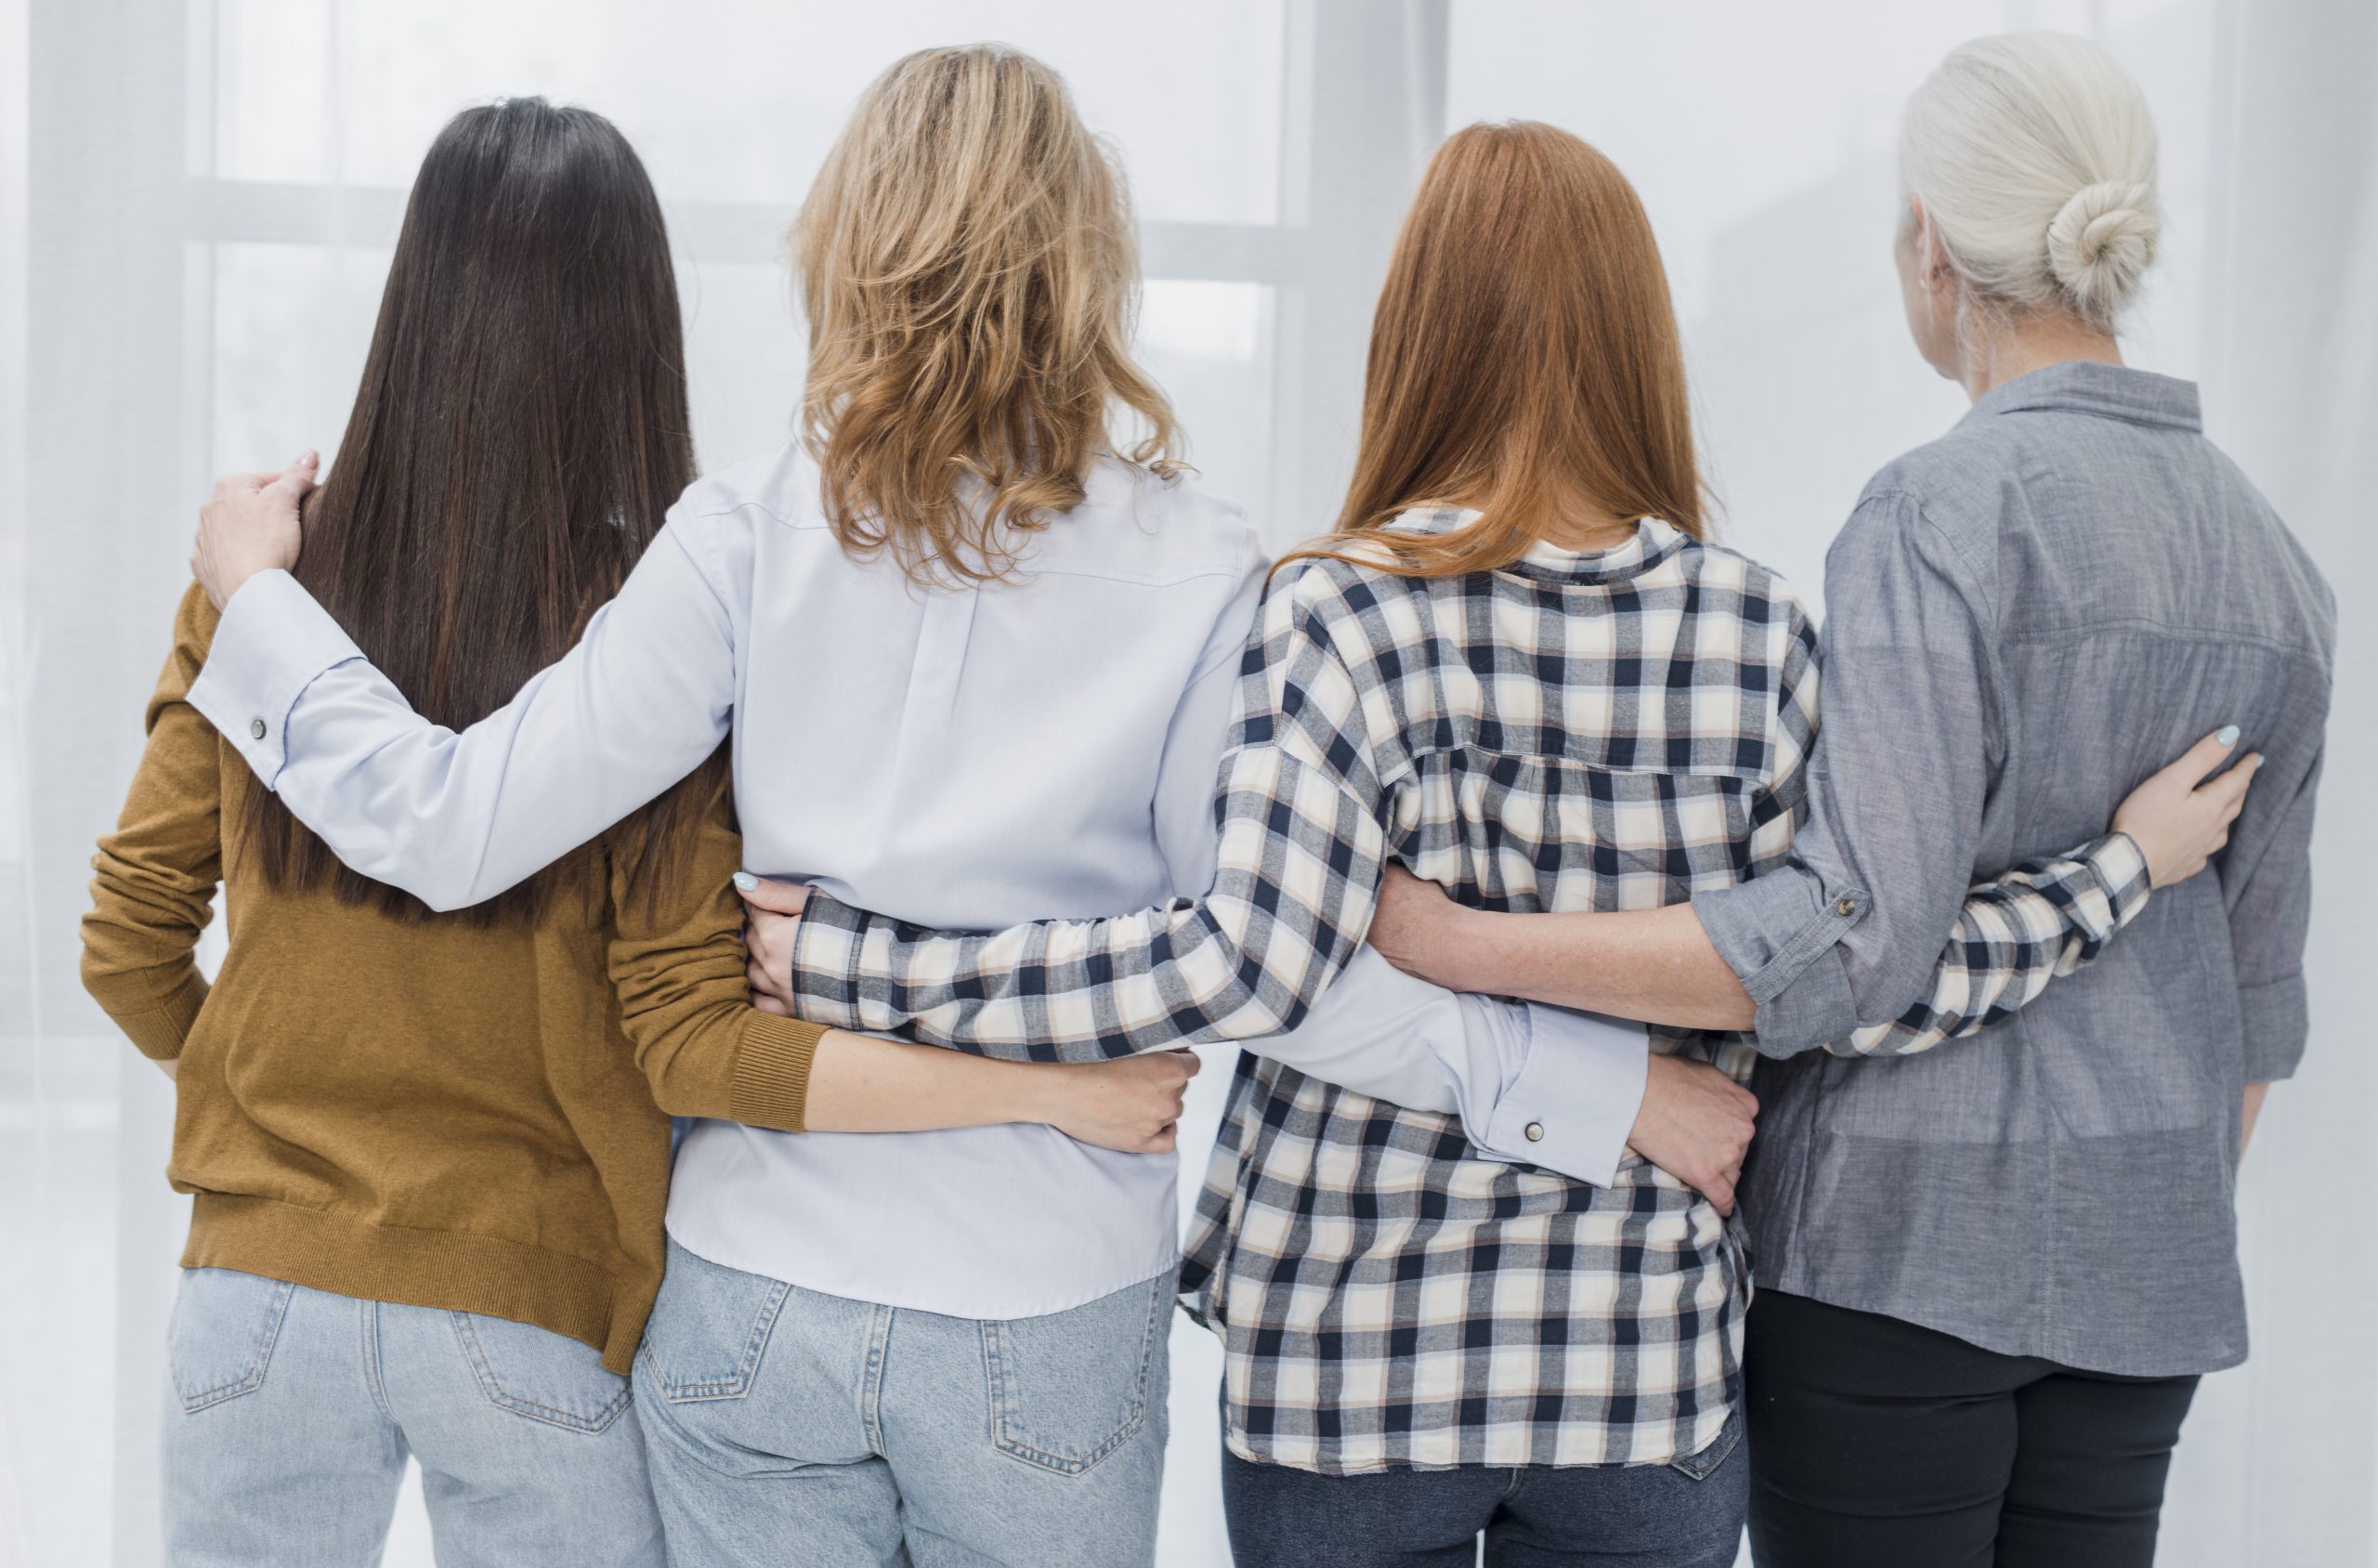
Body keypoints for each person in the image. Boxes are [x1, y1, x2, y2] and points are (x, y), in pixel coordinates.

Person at [170, 49, 1711, 1568]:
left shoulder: (746, 533)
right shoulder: (1201, 564)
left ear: (849, 248)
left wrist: (253, 598)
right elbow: (1269, 965)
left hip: (753, 1287)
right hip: (1039, 1300)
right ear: (1087, 262)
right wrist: (1595, 1092)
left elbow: (452, 820)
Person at [730, 121, 2237, 1567]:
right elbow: (1866, 973)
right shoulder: (1755, 629)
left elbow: (1242, 962)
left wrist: (861, 963)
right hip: (1633, 1368)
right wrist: (2118, 873)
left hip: (1350, 1360)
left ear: (1417, 334)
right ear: (1641, 338)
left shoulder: (1333, 608)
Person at [80, 98, 1192, 1568]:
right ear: (637, 329)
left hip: (254, 1295)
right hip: (537, 1309)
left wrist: (263, 1108)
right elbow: (692, 1040)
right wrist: (1040, 1087)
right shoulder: (655, 624)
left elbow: (125, 944)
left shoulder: (260, 587)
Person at [1356, 33, 2333, 1568]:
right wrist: (2138, 1210)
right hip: (2150, 1274)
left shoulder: (1934, 512)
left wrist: (1472, 941)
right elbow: (2261, 1005)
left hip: (1895, 1261)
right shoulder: (2283, 570)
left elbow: (1849, 947)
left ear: (1930, 245)